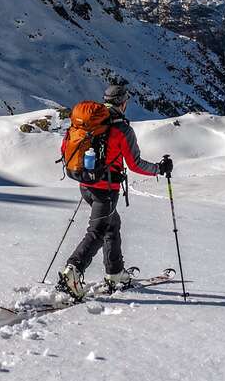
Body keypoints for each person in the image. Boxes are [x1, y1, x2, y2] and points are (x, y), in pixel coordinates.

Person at [58, 83, 173, 298]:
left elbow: (65, 149)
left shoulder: (87, 123)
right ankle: (72, 270)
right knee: (98, 232)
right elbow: (135, 164)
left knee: (112, 225)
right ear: (124, 102)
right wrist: (159, 168)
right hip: (106, 189)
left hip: (85, 185)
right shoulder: (121, 129)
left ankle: (115, 273)